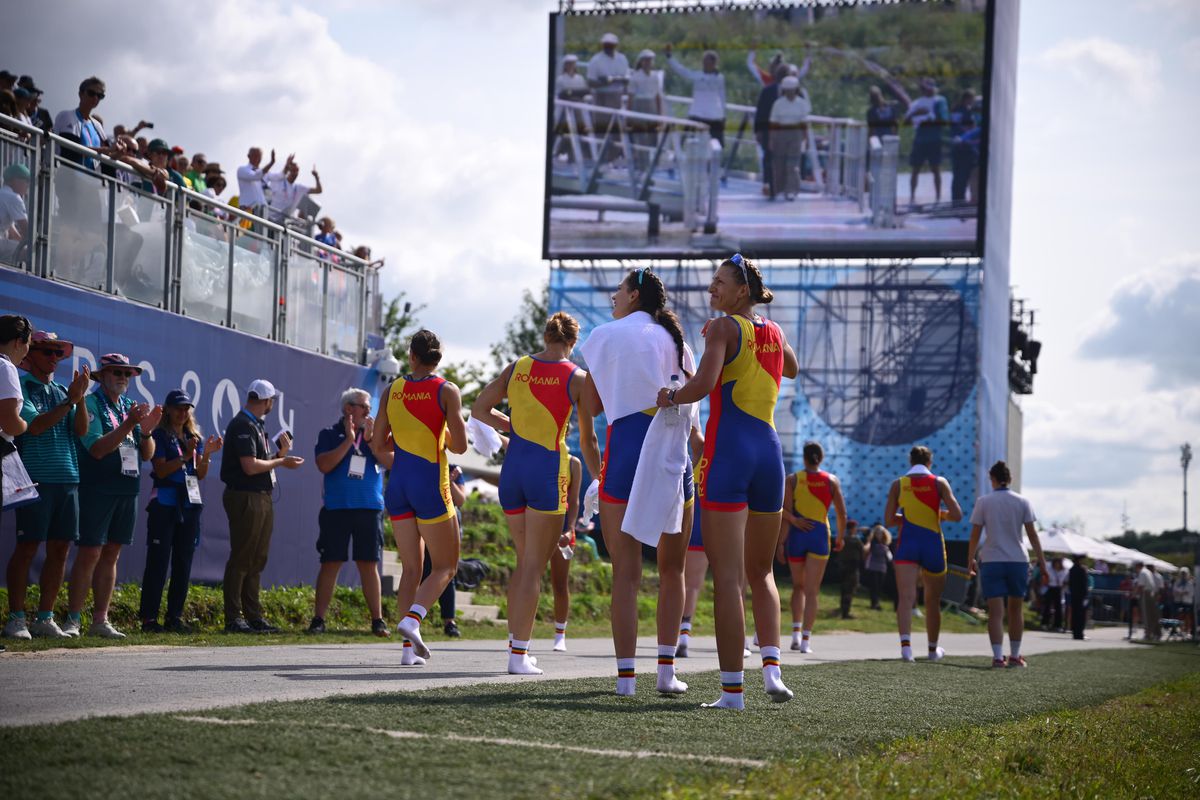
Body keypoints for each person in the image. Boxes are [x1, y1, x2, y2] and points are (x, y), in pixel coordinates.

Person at [657, 253, 799, 709]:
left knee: (729, 579)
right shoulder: (773, 330)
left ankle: (733, 692)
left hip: (729, 456)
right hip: (770, 456)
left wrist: (670, 396)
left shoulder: (722, 328)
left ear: (742, 290)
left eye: (720, 282)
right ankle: (772, 671)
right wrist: (759, 340)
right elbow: (791, 368)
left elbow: (702, 384)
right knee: (763, 572)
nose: (711, 289)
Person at [577, 268, 694, 697]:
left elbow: (591, 405)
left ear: (633, 295)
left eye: (619, 289)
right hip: (671, 450)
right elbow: (693, 409)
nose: (613, 295)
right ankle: (666, 672)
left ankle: (626, 679)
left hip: (625, 449)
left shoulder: (606, 335)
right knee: (672, 569)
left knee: (625, 574)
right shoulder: (679, 342)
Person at [472, 312, 585, 674]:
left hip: (513, 471)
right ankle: (518, 655)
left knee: (524, 565)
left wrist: (513, 427)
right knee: (534, 568)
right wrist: (599, 475)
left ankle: (515, 646)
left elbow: (479, 409)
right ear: (573, 342)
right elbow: (590, 436)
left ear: (546, 336)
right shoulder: (577, 376)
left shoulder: (517, 367)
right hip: (547, 471)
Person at [371, 330, 468, 663]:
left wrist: (408, 440)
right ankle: (413, 620)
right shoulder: (447, 390)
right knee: (445, 567)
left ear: (411, 356)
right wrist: (439, 434)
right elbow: (460, 446)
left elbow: (378, 444)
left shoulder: (392, 389)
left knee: (411, 569)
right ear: (437, 358)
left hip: (399, 485)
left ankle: (407, 652)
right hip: (431, 485)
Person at [67, 354, 161, 638]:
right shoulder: (92, 403)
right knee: (90, 553)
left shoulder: (127, 407)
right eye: (117, 372)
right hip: (98, 489)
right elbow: (96, 449)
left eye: (127, 374)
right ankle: (73, 620)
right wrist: (130, 424)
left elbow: (147, 454)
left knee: (111, 554)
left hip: (127, 490)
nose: (123, 377)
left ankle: (100, 620)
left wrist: (146, 432)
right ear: (102, 376)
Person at [5, 331, 89, 641]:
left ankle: (45, 618)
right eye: (47, 352)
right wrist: (70, 400)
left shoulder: (62, 390)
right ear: (29, 355)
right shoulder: (22, 385)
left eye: (58, 353)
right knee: (27, 547)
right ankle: (16, 618)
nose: (54, 358)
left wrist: (78, 399)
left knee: (60, 550)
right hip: (35, 479)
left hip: (68, 479)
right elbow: (36, 427)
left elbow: (81, 430)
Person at [220, 378, 304, 633]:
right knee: (242, 556)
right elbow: (249, 466)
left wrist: (278, 456)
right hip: (245, 496)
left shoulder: (255, 424)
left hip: (260, 496)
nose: (272, 405)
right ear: (266, 401)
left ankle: (253, 615)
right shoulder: (242, 424)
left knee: (257, 557)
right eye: (271, 401)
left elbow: (259, 462)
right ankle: (234, 617)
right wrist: (281, 462)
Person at [307, 388, 388, 637]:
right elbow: (324, 465)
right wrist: (348, 439)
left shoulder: (377, 434)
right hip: (337, 508)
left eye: (369, 407)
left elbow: (389, 462)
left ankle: (377, 620)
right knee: (331, 562)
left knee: (368, 564)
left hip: (369, 508)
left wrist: (371, 440)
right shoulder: (329, 434)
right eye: (364, 407)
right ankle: (319, 619)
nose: (368, 412)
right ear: (348, 408)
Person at [140, 390, 222, 633]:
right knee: (158, 561)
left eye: (186, 408)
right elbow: (161, 470)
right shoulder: (160, 435)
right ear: (167, 409)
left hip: (189, 505)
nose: (183, 412)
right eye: (178, 408)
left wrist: (206, 454)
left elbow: (200, 474)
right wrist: (186, 455)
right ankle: (149, 619)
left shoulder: (192, 436)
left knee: (183, 563)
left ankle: (174, 617)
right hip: (165, 503)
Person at [883, 445, 963, 662]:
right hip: (933, 545)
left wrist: (911, 519)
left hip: (907, 544)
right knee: (932, 600)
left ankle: (906, 650)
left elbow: (889, 520)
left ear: (910, 461)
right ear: (930, 462)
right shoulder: (939, 482)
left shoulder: (898, 484)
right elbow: (957, 515)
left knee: (905, 598)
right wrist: (939, 515)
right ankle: (932, 650)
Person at [966, 460, 1046, 667]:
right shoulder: (1023, 501)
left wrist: (970, 559)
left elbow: (975, 535)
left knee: (995, 612)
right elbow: (1032, 535)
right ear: (1009, 479)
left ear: (992, 479)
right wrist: (1042, 562)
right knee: (1015, 610)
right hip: (1018, 560)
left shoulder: (983, 501)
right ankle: (1015, 655)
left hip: (991, 559)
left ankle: (997, 657)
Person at [778, 440, 847, 652]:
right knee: (812, 591)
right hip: (819, 536)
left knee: (798, 587)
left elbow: (783, 510)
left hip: (797, 535)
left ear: (804, 458)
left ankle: (796, 634)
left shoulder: (793, 480)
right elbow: (842, 514)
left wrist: (782, 540)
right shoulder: (831, 481)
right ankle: (806, 641)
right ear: (821, 458)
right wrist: (840, 538)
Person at [0, 317, 31, 648]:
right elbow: (10, 421)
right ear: (19, 342)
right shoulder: (5, 367)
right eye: (28, 346)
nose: (26, 354)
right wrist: (23, 425)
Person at [422, 463, 467, 638]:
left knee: (447, 574)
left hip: (448, 526)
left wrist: (448, 480)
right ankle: (414, 619)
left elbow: (460, 500)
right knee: (422, 571)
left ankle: (449, 621)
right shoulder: (423, 464)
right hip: (426, 522)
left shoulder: (454, 469)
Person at [677, 422, 707, 658]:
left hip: (692, 515)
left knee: (683, 580)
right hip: (718, 515)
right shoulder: (729, 457)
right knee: (734, 582)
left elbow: (696, 434)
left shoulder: (702, 449)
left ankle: (681, 635)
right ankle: (745, 642)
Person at [664, 43, 727, 146]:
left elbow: (722, 96)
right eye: (704, 62)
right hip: (697, 114)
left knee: (717, 145)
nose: (704, 64)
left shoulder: (719, 78)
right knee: (686, 142)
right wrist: (670, 58)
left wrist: (724, 116)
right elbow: (682, 70)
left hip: (714, 116)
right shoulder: (697, 75)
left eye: (707, 62)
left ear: (714, 63)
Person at [550, 455, 582, 652]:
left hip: (563, 528)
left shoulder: (573, 462)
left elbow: (574, 499)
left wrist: (570, 529)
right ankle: (519, 637)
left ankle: (560, 634)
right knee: (529, 577)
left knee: (560, 583)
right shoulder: (539, 451)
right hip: (540, 523)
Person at [902, 77, 949, 206]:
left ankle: (938, 198)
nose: (927, 91)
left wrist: (929, 116)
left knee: (936, 169)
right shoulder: (916, 103)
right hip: (920, 140)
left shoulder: (939, 101)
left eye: (929, 88)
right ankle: (912, 198)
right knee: (915, 169)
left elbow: (944, 120)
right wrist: (915, 113)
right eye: (924, 88)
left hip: (934, 139)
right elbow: (905, 122)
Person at [587, 32, 629, 162]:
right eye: (606, 44)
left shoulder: (622, 59)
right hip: (601, 96)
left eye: (611, 45)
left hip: (616, 95)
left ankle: (615, 157)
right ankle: (601, 158)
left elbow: (626, 78)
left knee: (617, 129)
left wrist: (619, 81)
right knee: (602, 128)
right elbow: (591, 82)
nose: (608, 47)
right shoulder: (596, 60)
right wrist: (605, 82)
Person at [768, 76, 811, 201]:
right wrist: (771, 139)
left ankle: (791, 190)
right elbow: (773, 123)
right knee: (779, 163)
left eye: (792, 90)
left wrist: (806, 138)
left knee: (793, 164)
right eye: (787, 90)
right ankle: (780, 188)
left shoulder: (801, 103)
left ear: (796, 90)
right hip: (780, 133)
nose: (789, 92)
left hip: (795, 133)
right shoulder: (778, 104)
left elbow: (804, 123)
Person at [626, 50, 663, 173]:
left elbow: (657, 96)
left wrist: (659, 114)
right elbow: (631, 97)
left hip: (651, 106)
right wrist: (629, 115)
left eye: (650, 61)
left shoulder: (655, 76)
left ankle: (653, 165)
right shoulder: (635, 77)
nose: (648, 63)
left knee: (652, 136)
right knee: (641, 137)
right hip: (639, 105)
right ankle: (642, 165)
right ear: (641, 62)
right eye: (646, 60)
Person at [265, 155, 322, 225]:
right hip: (270, 218)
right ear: (289, 171)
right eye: (293, 170)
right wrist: (286, 165)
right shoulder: (278, 181)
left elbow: (318, 190)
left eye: (297, 170)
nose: (295, 173)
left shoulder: (299, 188)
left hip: (284, 223)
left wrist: (316, 177)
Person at [0, 163, 30, 263]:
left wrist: (22, 242)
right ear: (14, 180)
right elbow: (27, 231)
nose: (28, 185)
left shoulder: (3, 193)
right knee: (31, 252)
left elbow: (12, 232)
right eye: (26, 180)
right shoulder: (13, 197)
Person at [236, 147, 276, 218]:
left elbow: (279, 176)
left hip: (262, 209)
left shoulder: (263, 172)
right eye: (255, 155)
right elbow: (256, 176)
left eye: (259, 156)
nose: (257, 158)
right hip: (248, 208)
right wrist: (271, 163)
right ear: (248, 156)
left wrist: (287, 167)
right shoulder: (242, 170)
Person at [839, 520, 864, 620]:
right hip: (852, 567)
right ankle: (846, 612)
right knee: (850, 590)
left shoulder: (843, 538)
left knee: (844, 589)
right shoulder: (855, 540)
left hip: (843, 566)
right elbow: (863, 550)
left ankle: (843, 609)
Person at [863, 524, 891, 610]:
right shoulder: (872, 543)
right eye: (877, 533)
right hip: (872, 567)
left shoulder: (885, 545)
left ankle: (877, 603)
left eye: (881, 533)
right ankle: (874, 604)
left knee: (879, 587)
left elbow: (889, 558)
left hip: (882, 568)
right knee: (874, 587)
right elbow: (866, 550)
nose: (879, 535)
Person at [1135, 563, 1161, 640]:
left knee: (1147, 615)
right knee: (1153, 615)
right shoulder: (1148, 572)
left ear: (1138, 566)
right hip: (1151, 594)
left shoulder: (1142, 572)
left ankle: (1148, 634)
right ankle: (1156, 633)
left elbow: (1141, 586)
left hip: (1146, 594)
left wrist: (1135, 594)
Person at [1041, 556, 1068, 631]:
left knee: (1058, 608)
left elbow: (1065, 580)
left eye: (1059, 563)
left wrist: (1062, 584)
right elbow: (1046, 577)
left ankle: (1057, 625)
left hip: (1058, 589)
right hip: (1050, 588)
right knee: (1047, 606)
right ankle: (1045, 623)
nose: (1057, 565)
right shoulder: (1050, 569)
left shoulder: (1064, 570)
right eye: (1056, 563)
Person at [1068, 556, 1091, 641]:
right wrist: (1086, 595)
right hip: (1081, 596)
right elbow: (1084, 584)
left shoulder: (1071, 570)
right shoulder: (1082, 570)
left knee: (1074, 614)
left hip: (1074, 595)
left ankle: (1075, 633)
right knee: (1081, 615)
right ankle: (1080, 634)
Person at [1172, 568, 1194, 638]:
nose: (1183, 575)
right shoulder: (1177, 582)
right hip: (1178, 601)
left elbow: (1190, 592)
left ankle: (1187, 631)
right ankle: (1181, 630)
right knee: (1180, 616)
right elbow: (1174, 590)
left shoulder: (1190, 583)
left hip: (1187, 602)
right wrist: (1180, 593)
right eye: (1182, 574)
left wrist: (1182, 593)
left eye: (1184, 574)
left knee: (1187, 616)